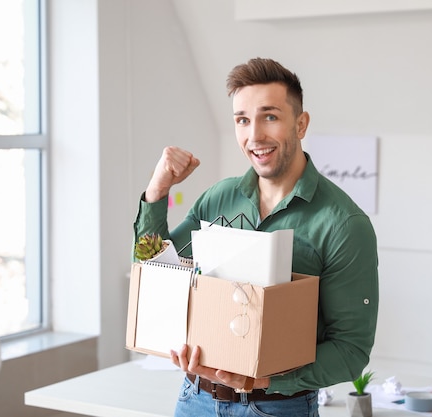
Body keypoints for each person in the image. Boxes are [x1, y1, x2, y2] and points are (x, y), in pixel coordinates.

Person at [133, 57, 379, 417]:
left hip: (278, 408)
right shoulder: (218, 198)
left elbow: (350, 352)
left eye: (270, 117)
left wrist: (261, 380)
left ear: (301, 124)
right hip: (194, 400)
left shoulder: (343, 224)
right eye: (243, 120)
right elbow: (154, 273)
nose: (255, 136)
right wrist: (157, 191)